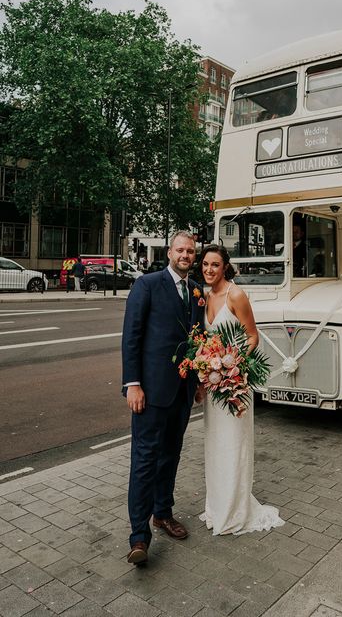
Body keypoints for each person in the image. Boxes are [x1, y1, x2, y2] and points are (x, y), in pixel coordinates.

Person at [121, 230, 205, 565]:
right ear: (169, 252)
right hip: (151, 392)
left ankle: (163, 513)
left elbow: (197, 341)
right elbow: (132, 336)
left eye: (190, 251)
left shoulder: (196, 290)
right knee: (144, 462)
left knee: (170, 456)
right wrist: (133, 384)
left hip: (182, 392)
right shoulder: (147, 284)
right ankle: (139, 537)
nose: (185, 255)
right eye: (180, 250)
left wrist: (198, 382)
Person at [198, 243, 284, 535]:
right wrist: (207, 367)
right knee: (216, 445)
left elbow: (252, 336)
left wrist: (232, 365)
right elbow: (204, 341)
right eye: (206, 265)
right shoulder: (207, 296)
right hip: (213, 387)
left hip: (234, 384)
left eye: (215, 265)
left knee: (233, 446)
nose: (209, 270)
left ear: (225, 268)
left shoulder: (236, 295)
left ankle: (235, 510)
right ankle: (218, 505)